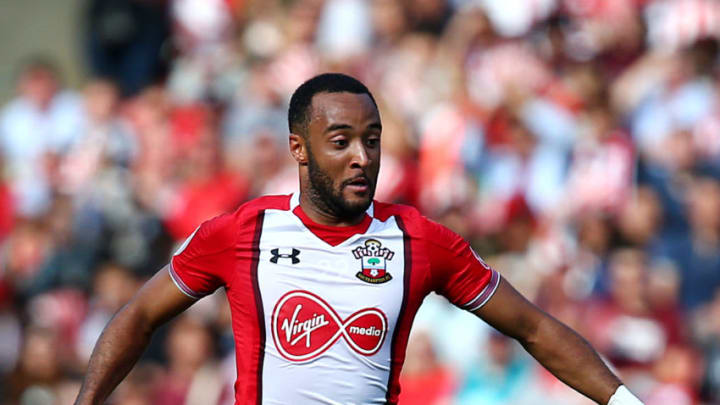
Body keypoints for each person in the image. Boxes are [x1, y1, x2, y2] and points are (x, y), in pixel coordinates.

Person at [74, 73, 643, 405]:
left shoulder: (420, 240)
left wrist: (625, 403)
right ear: (299, 148)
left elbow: (535, 327)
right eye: (341, 141)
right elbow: (140, 314)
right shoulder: (242, 231)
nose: (362, 158)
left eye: (372, 140)